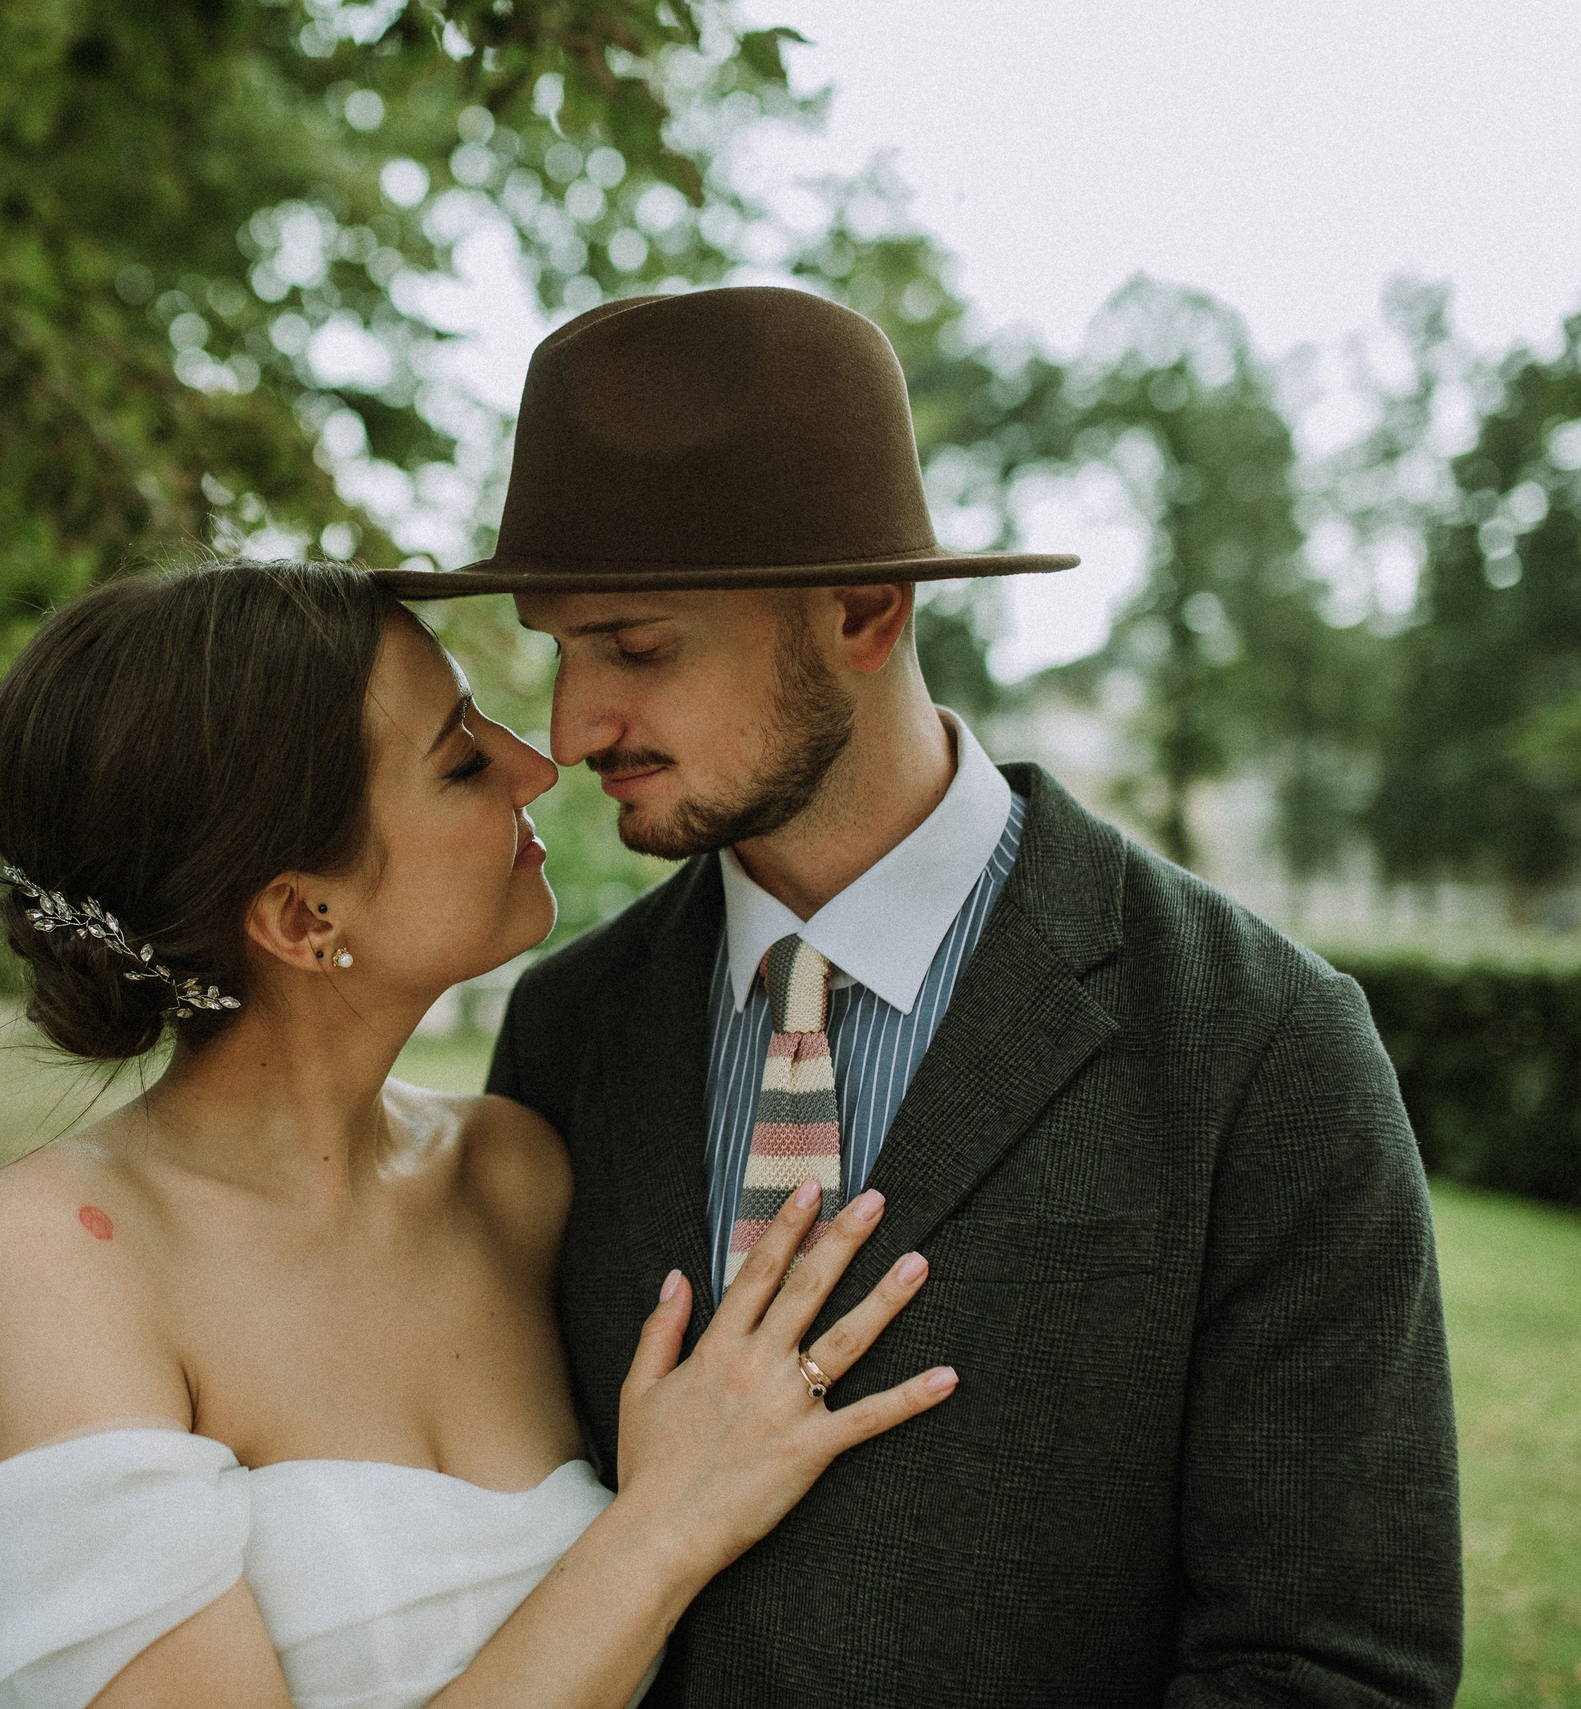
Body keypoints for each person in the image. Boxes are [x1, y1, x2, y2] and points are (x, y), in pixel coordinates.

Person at [379, 285, 1463, 1705]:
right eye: (560, 646)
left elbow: (1333, 1669)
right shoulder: (568, 1029)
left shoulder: (1262, 1041)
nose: (576, 727)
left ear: (865, 610)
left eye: (636, 649)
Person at [0, 562, 963, 1709]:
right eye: (463, 759)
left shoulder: (515, 1172)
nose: (537, 760)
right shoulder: (69, 1245)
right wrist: (665, 1527)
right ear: (300, 915)